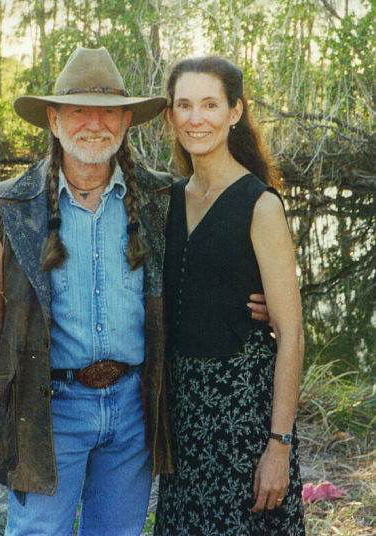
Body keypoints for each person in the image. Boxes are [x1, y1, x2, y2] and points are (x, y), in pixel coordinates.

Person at [0, 47, 269, 535]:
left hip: (134, 408)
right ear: (53, 120)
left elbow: (214, 262)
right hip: (48, 409)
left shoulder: (164, 200)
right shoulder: (12, 206)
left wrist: (259, 303)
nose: (94, 125)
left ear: (126, 123)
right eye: (78, 111)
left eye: (109, 113)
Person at [154, 57, 305, 535]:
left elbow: (292, 334)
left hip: (244, 419)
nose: (196, 118)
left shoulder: (259, 205)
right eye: (184, 105)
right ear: (171, 115)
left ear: (235, 111)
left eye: (210, 104)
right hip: (184, 416)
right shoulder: (168, 199)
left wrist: (278, 446)